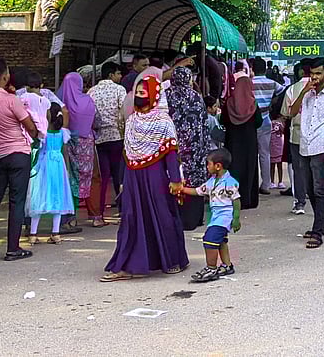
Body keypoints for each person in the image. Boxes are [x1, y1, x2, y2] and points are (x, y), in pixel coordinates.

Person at [102, 76, 189, 280]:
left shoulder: (163, 121)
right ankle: (129, 264)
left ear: (155, 95)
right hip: (133, 177)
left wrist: (175, 180)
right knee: (131, 218)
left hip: (156, 177)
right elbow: (127, 150)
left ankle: (171, 260)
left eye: (144, 93)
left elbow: (170, 153)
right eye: (138, 93)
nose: (140, 96)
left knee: (162, 216)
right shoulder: (132, 119)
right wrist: (122, 180)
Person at [0, 58, 40, 262]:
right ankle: (13, 247)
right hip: (18, 154)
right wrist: (36, 135)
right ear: (5, 76)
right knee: (17, 200)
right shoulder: (11, 100)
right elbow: (29, 125)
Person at [290, 57, 324, 249]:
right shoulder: (306, 93)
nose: (314, 77)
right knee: (308, 188)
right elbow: (292, 112)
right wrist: (304, 92)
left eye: (318, 73)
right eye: (312, 74)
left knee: (320, 188)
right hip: (304, 145)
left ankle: (318, 229)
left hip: (322, 146)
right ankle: (319, 225)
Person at [173, 148, 241, 283]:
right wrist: (181, 189)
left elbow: (236, 200)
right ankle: (227, 265)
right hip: (215, 216)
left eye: (208, 164)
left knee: (210, 240)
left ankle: (211, 268)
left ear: (218, 166)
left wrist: (236, 218)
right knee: (220, 241)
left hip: (224, 217)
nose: (207, 167)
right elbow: (198, 191)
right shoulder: (212, 181)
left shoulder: (230, 182)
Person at [166, 66, 214, 230]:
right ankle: (194, 219)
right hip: (195, 149)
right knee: (195, 183)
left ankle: (174, 219)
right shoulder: (196, 97)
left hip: (172, 149)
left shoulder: (166, 97)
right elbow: (204, 124)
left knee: (174, 179)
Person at [27, 104, 76, 245]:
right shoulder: (63, 133)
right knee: (58, 195)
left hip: (43, 165)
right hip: (58, 166)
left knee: (39, 194)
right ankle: (55, 233)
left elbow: (37, 148)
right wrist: (66, 169)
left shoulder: (43, 133)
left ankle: (33, 234)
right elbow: (65, 151)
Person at [88, 62, 126, 228]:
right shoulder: (119, 90)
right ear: (111, 75)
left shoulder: (91, 92)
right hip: (117, 136)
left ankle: (99, 214)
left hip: (99, 138)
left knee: (102, 177)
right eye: (118, 74)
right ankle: (123, 210)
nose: (120, 77)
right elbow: (124, 112)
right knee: (119, 175)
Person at [59, 71, 97, 229]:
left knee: (69, 178)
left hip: (64, 143)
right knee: (86, 178)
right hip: (86, 143)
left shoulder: (59, 100)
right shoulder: (87, 100)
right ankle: (93, 215)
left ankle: (69, 217)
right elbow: (96, 119)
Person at [223, 64, 260, 209]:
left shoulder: (229, 103)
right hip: (250, 142)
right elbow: (258, 122)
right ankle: (248, 199)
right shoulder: (253, 104)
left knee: (234, 169)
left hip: (232, 142)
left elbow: (223, 121)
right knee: (249, 169)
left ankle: (233, 198)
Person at [280, 60, 311, 215]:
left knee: (299, 169)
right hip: (318, 137)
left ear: (300, 72)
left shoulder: (292, 89)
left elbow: (285, 113)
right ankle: (323, 202)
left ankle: (300, 203)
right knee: (317, 169)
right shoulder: (323, 89)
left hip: (297, 135)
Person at [251, 58, 278, 194]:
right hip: (266, 119)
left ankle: (251, 183)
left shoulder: (249, 83)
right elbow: (282, 92)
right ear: (265, 69)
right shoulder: (272, 83)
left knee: (251, 153)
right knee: (265, 153)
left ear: (252, 68)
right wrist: (272, 103)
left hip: (250, 121)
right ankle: (266, 184)